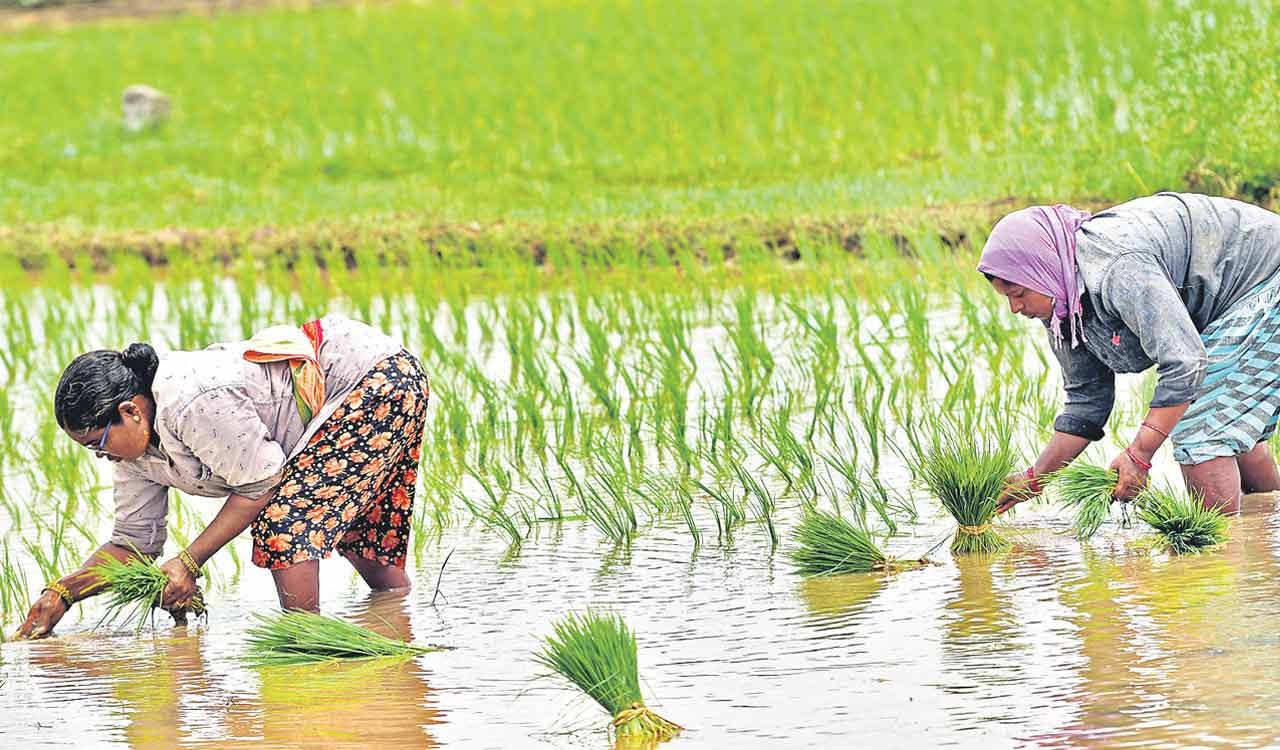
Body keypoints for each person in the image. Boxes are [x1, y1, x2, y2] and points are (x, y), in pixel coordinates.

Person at [15, 315, 430, 639]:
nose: (101, 456)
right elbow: (133, 542)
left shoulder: (190, 400)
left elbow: (260, 483)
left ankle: (308, 648)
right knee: (355, 530)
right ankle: (395, 615)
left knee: (285, 521)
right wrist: (64, 593)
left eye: (97, 443)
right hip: (357, 391)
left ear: (130, 411)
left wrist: (189, 562)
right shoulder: (134, 454)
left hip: (375, 378)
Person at [982, 192, 1280, 515]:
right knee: (1228, 423)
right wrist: (1034, 479)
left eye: (1018, 293)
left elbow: (1185, 362)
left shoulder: (1117, 268)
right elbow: (1087, 402)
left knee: (1204, 429)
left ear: (1042, 269)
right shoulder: (1062, 306)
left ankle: (1219, 556)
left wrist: (1139, 454)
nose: (1014, 308)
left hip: (1265, 276)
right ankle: (1266, 529)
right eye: (1006, 298)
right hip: (1229, 298)